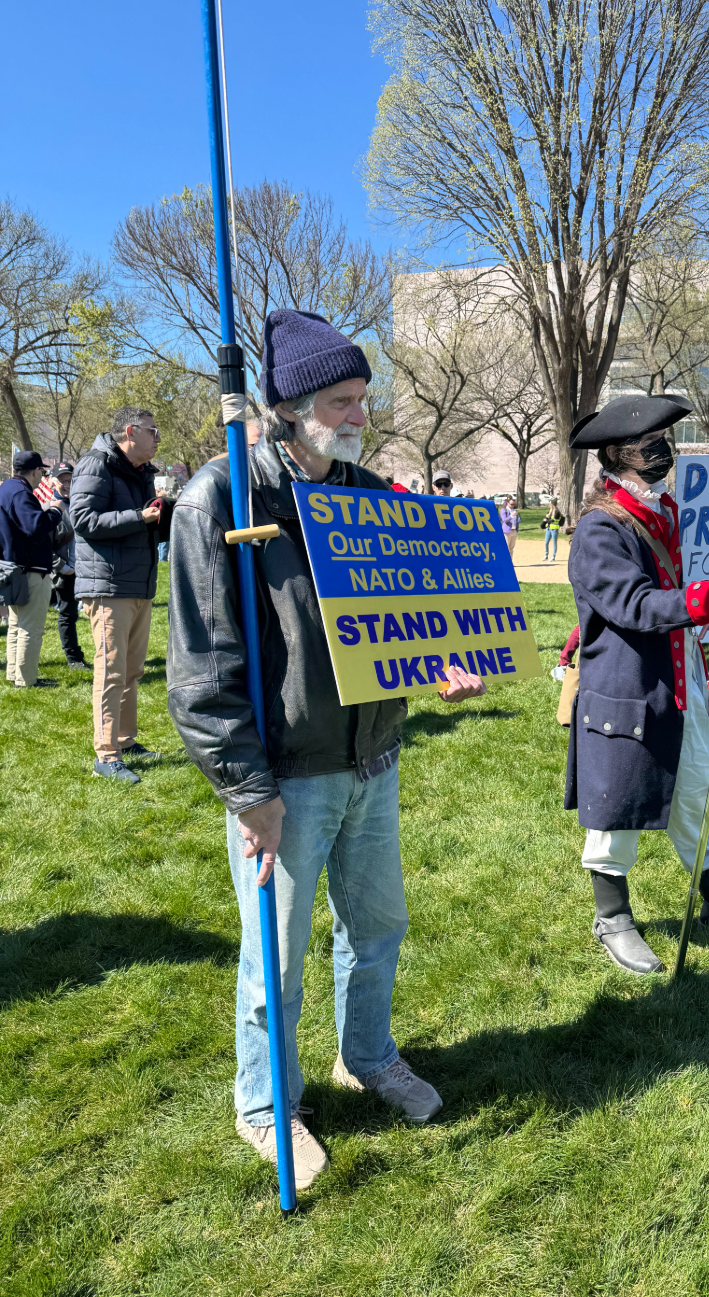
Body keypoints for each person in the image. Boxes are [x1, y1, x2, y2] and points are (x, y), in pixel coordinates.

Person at [167, 309, 486, 1192]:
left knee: (378, 926)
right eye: (342, 401)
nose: (358, 417)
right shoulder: (220, 501)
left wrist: (445, 660)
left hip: (373, 757)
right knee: (277, 954)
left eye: (363, 400)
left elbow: (412, 620)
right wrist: (247, 789)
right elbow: (200, 674)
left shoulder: (371, 497)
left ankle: (369, 1056)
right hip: (284, 777)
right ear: (290, 406)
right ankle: (267, 1103)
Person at [565, 393, 709, 975]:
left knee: (694, 791)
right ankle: (612, 917)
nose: (663, 453)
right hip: (627, 688)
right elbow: (636, 604)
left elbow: (675, 595)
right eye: (650, 446)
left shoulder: (659, 512)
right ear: (618, 455)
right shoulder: (600, 528)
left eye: (665, 443)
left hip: (679, 677)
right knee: (616, 807)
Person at [69, 408, 164, 784]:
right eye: (153, 430)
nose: (158, 437)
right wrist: (139, 518)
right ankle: (106, 755)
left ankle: (124, 741)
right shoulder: (96, 465)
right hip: (107, 586)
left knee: (132, 670)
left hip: (137, 584)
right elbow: (82, 519)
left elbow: (141, 522)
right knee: (111, 671)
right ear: (130, 432)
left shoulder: (142, 473)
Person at [0, 450, 64, 688]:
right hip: (29, 568)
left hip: (12, 566)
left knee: (16, 624)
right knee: (30, 627)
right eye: (43, 472)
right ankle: (26, 680)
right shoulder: (20, 493)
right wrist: (56, 510)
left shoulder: (6, 489)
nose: (43, 477)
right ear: (36, 471)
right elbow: (36, 525)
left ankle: (15, 675)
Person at [49, 462, 88, 670]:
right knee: (67, 614)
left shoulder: (81, 504)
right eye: (62, 481)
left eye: (70, 480)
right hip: (66, 572)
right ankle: (73, 658)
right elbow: (44, 547)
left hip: (86, 569)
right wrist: (63, 568)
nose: (66, 485)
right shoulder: (50, 509)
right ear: (53, 483)